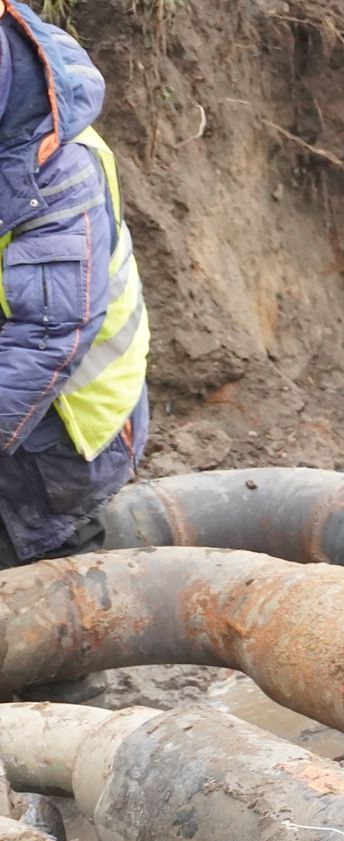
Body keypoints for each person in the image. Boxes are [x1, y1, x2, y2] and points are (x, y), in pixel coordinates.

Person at [0, 1, 150, 703]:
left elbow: (45, 341)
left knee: (35, 614)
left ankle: (63, 741)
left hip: (63, 439)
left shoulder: (55, 172)